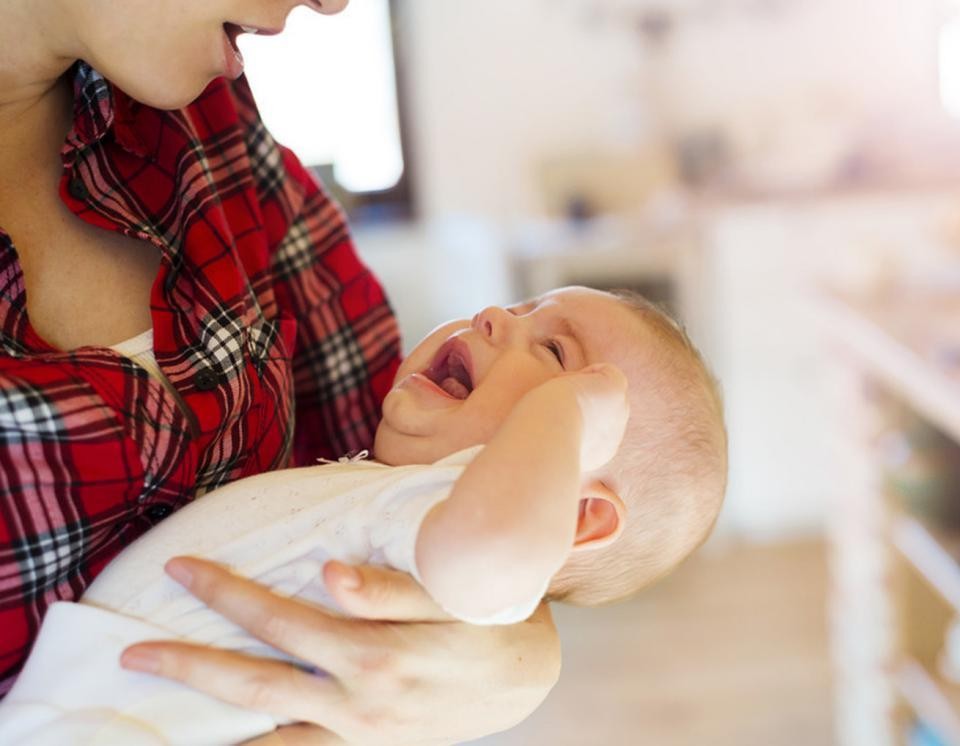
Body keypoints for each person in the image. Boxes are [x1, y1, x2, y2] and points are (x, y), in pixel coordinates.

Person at [0, 1, 562, 742]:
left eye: (557, 349)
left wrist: (522, 652)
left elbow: (401, 455)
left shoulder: (207, 123)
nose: (335, 3)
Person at [0, 286, 728, 744]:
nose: (492, 315)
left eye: (555, 350)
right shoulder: (388, 495)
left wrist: (562, 413)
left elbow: (490, 557)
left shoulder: (443, 516)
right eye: (519, 306)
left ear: (576, 519)